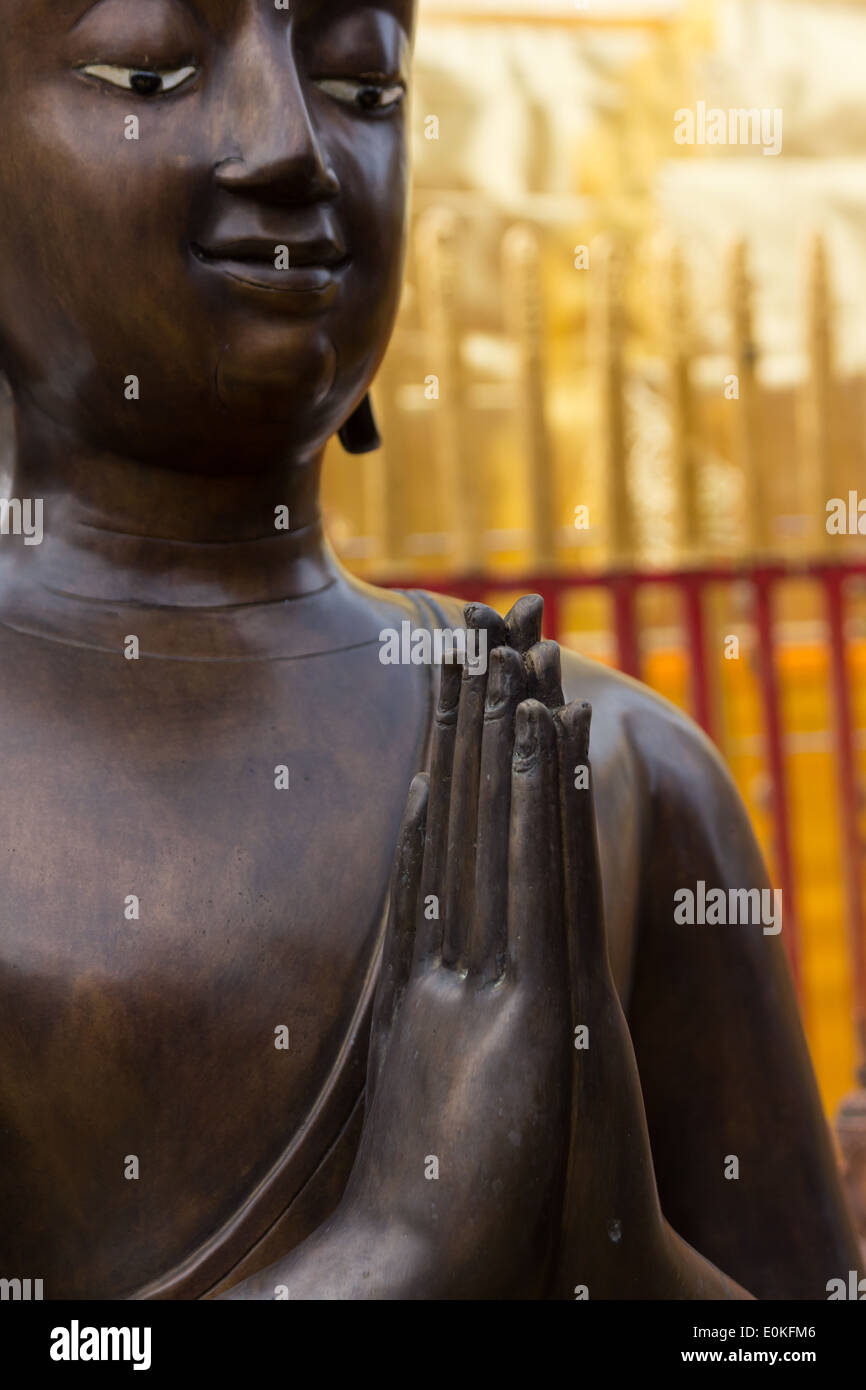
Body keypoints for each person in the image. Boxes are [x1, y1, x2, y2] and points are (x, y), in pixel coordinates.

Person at [0, 0, 858, 1300]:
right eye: (149, 69)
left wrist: (615, 1238)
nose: (290, 146)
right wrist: (400, 1244)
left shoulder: (610, 764)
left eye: (361, 82)